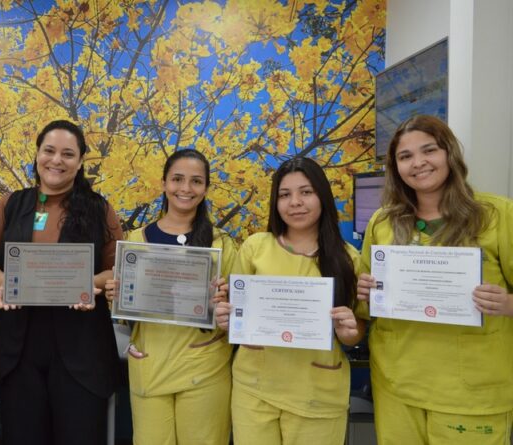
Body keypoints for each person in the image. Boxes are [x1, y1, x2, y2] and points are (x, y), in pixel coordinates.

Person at [356, 115, 513, 445]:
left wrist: (508, 303)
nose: (418, 163)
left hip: (470, 393)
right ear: (395, 167)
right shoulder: (382, 223)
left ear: (449, 154)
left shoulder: (496, 215)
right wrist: (365, 292)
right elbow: (367, 301)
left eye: (429, 150)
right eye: (405, 156)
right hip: (397, 385)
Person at [0, 119, 123, 445]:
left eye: (68, 154)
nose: (56, 160)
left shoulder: (100, 209)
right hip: (20, 346)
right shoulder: (11, 204)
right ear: (37, 153)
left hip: (82, 347)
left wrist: (86, 284)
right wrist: (4, 283)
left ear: (80, 161)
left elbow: (116, 270)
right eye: (49, 151)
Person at [215, 156, 365, 445]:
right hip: (254, 389)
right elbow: (236, 316)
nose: (295, 202)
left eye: (306, 192)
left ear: (322, 196)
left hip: (316, 393)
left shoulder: (347, 257)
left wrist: (350, 333)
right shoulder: (255, 247)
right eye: (285, 195)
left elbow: (357, 328)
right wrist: (225, 319)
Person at [103, 149, 236, 444]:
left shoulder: (221, 243)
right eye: (177, 179)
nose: (185, 189)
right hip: (150, 363)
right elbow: (128, 318)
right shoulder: (137, 240)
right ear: (163, 183)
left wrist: (227, 307)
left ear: (206, 188)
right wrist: (117, 297)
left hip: (205, 369)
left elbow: (237, 315)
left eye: (196, 181)